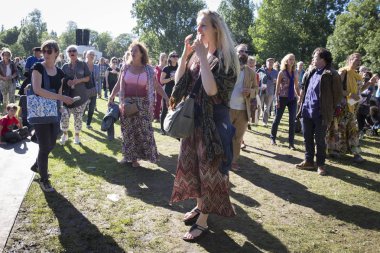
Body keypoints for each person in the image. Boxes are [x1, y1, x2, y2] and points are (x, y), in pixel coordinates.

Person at [170, 9, 239, 242]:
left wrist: (201, 56)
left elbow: (212, 91)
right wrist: (186, 54)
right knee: (195, 170)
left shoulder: (228, 58)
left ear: (216, 29)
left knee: (211, 172)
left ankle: (203, 221)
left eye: (203, 26)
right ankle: (200, 206)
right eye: (198, 25)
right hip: (194, 123)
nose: (198, 30)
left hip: (214, 125)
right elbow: (180, 83)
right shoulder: (199, 54)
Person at [108, 41, 169, 167]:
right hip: (127, 103)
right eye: (131, 50)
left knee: (144, 131)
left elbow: (157, 86)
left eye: (135, 50)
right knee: (128, 131)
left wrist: (166, 97)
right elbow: (119, 84)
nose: (132, 52)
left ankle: (143, 156)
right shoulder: (125, 67)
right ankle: (129, 157)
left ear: (142, 53)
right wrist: (112, 95)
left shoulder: (148, 70)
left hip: (144, 104)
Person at [29, 40, 74, 192]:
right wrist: (61, 99)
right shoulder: (37, 67)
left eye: (49, 51)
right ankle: (44, 179)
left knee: (52, 143)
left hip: (54, 111)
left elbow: (59, 91)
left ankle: (37, 164)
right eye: (44, 51)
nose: (46, 54)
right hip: (40, 112)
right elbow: (37, 90)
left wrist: (61, 107)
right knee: (44, 146)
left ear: (56, 53)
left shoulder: (60, 72)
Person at [296, 48, 343, 176]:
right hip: (306, 110)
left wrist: (333, 109)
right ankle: (308, 161)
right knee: (307, 138)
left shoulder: (332, 74)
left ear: (323, 59)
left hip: (321, 113)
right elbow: (304, 88)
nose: (313, 59)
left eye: (316, 57)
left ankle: (321, 165)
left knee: (320, 140)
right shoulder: (311, 71)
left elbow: (338, 95)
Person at [326, 53, 378, 163]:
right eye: (356, 59)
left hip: (353, 107)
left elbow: (359, 91)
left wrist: (369, 83)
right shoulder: (343, 72)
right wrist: (349, 94)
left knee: (353, 130)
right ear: (350, 59)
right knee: (338, 128)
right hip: (342, 107)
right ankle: (334, 150)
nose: (358, 62)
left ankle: (356, 154)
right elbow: (336, 88)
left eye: (360, 60)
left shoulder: (356, 74)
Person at [229, 44, 258, 170]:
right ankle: (222, 158)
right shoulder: (227, 68)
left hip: (243, 110)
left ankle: (233, 160)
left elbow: (256, 89)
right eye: (241, 51)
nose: (244, 53)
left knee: (238, 137)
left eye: (246, 52)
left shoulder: (251, 72)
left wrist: (250, 92)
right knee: (224, 135)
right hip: (227, 108)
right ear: (234, 52)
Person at [60, 45, 91, 145]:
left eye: (74, 51)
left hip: (80, 96)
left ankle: (76, 137)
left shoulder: (83, 64)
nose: (72, 52)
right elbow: (61, 80)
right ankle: (65, 134)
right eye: (70, 51)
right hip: (67, 96)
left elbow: (88, 78)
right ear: (67, 53)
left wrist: (79, 80)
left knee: (78, 117)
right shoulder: (64, 66)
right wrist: (67, 82)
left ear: (77, 53)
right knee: (64, 116)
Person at [270, 53, 300, 149]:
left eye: (293, 59)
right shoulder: (281, 73)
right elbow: (277, 87)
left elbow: (296, 86)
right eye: (290, 59)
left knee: (292, 121)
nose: (292, 61)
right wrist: (277, 100)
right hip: (282, 98)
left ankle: (291, 143)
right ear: (286, 61)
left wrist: (299, 96)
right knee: (277, 119)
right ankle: (273, 138)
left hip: (292, 99)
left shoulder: (295, 73)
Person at [159, 51, 179, 134]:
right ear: (170, 58)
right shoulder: (166, 68)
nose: (175, 57)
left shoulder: (179, 67)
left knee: (175, 109)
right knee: (165, 110)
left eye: (177, 56)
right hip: (167, 91)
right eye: (173, 56)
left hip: (177, 91)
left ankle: (172, 128)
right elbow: (161, 81)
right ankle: (162, 129)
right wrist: (171, 78)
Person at [257, 58, 278, 126]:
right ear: (266, 63)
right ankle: (256, 120)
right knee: (259, 106)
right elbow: (257, 79)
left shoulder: (276, 72)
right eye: (269, 62)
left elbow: (278, 81)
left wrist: (276, 82)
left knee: (267, 107)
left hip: (270, 91)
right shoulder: (261, 70)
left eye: (272, 62)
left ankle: (264, 122)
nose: (270, 63)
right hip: (261, 91)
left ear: (273, 63)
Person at [85, 50, 100, 129]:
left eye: (93, 55)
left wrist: (99, 91)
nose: (92, 56)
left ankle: (88, 123)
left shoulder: (96, 66)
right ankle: (79, 120)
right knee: (82, 106)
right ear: (86, 55)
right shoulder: (83, 65)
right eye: (90, 54)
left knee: (91, 107)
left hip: (93, 89)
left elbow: (98, 79)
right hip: (83, 89)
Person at [0, 48, 18, 113]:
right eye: (5, 55)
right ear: (2, 56)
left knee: (12, 97)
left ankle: (13, 112)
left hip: (11, 81)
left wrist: (11, 76)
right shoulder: (0, 63)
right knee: (5, 98)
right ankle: (5, 112)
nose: (7, 56)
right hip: (3, 81)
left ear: (10, 55)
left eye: (8, 55)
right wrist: (3, 78)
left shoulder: (12, 63)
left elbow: (16, 72)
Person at [153, 53, 167, 122]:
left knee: (164, 101)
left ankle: (163, 116)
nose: (164, 58)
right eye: (163, 57)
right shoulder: (157, 67)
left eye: (165, 57)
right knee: (157, 101)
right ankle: (156, 116)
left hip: (165, 86)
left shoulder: (166, 67)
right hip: (157, 86)